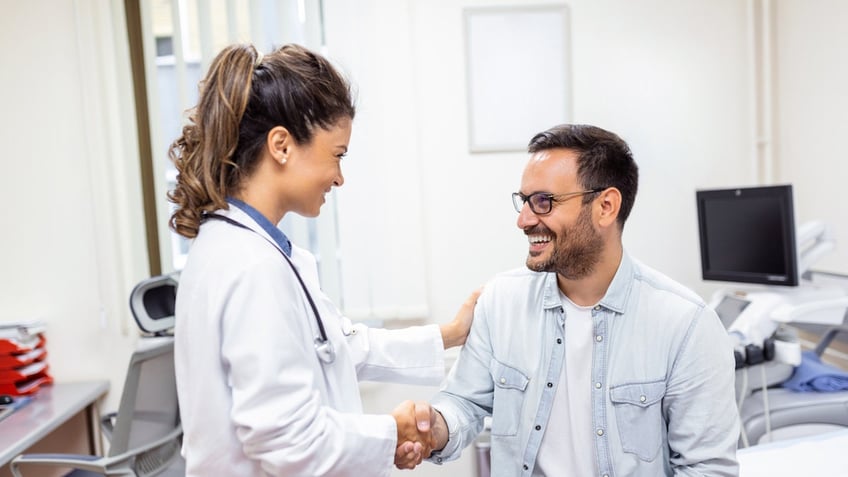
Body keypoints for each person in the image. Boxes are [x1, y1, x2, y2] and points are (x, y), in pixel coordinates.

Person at [168, 43, 477, 476]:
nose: (339, 176)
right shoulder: (251, 266)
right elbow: (288, 442)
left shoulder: (246, 248)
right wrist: (391, 431)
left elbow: (336, 347)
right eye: (337, 154)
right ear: (281, 146)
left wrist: (451, 334)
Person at [411, 124, 740, 475]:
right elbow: (464, 403)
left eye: (543, 202)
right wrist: (435, 428)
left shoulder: (686, 324)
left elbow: (707, 469)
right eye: (524, 201)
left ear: (606, 206)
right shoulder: (501, 301)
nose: (523, 220)